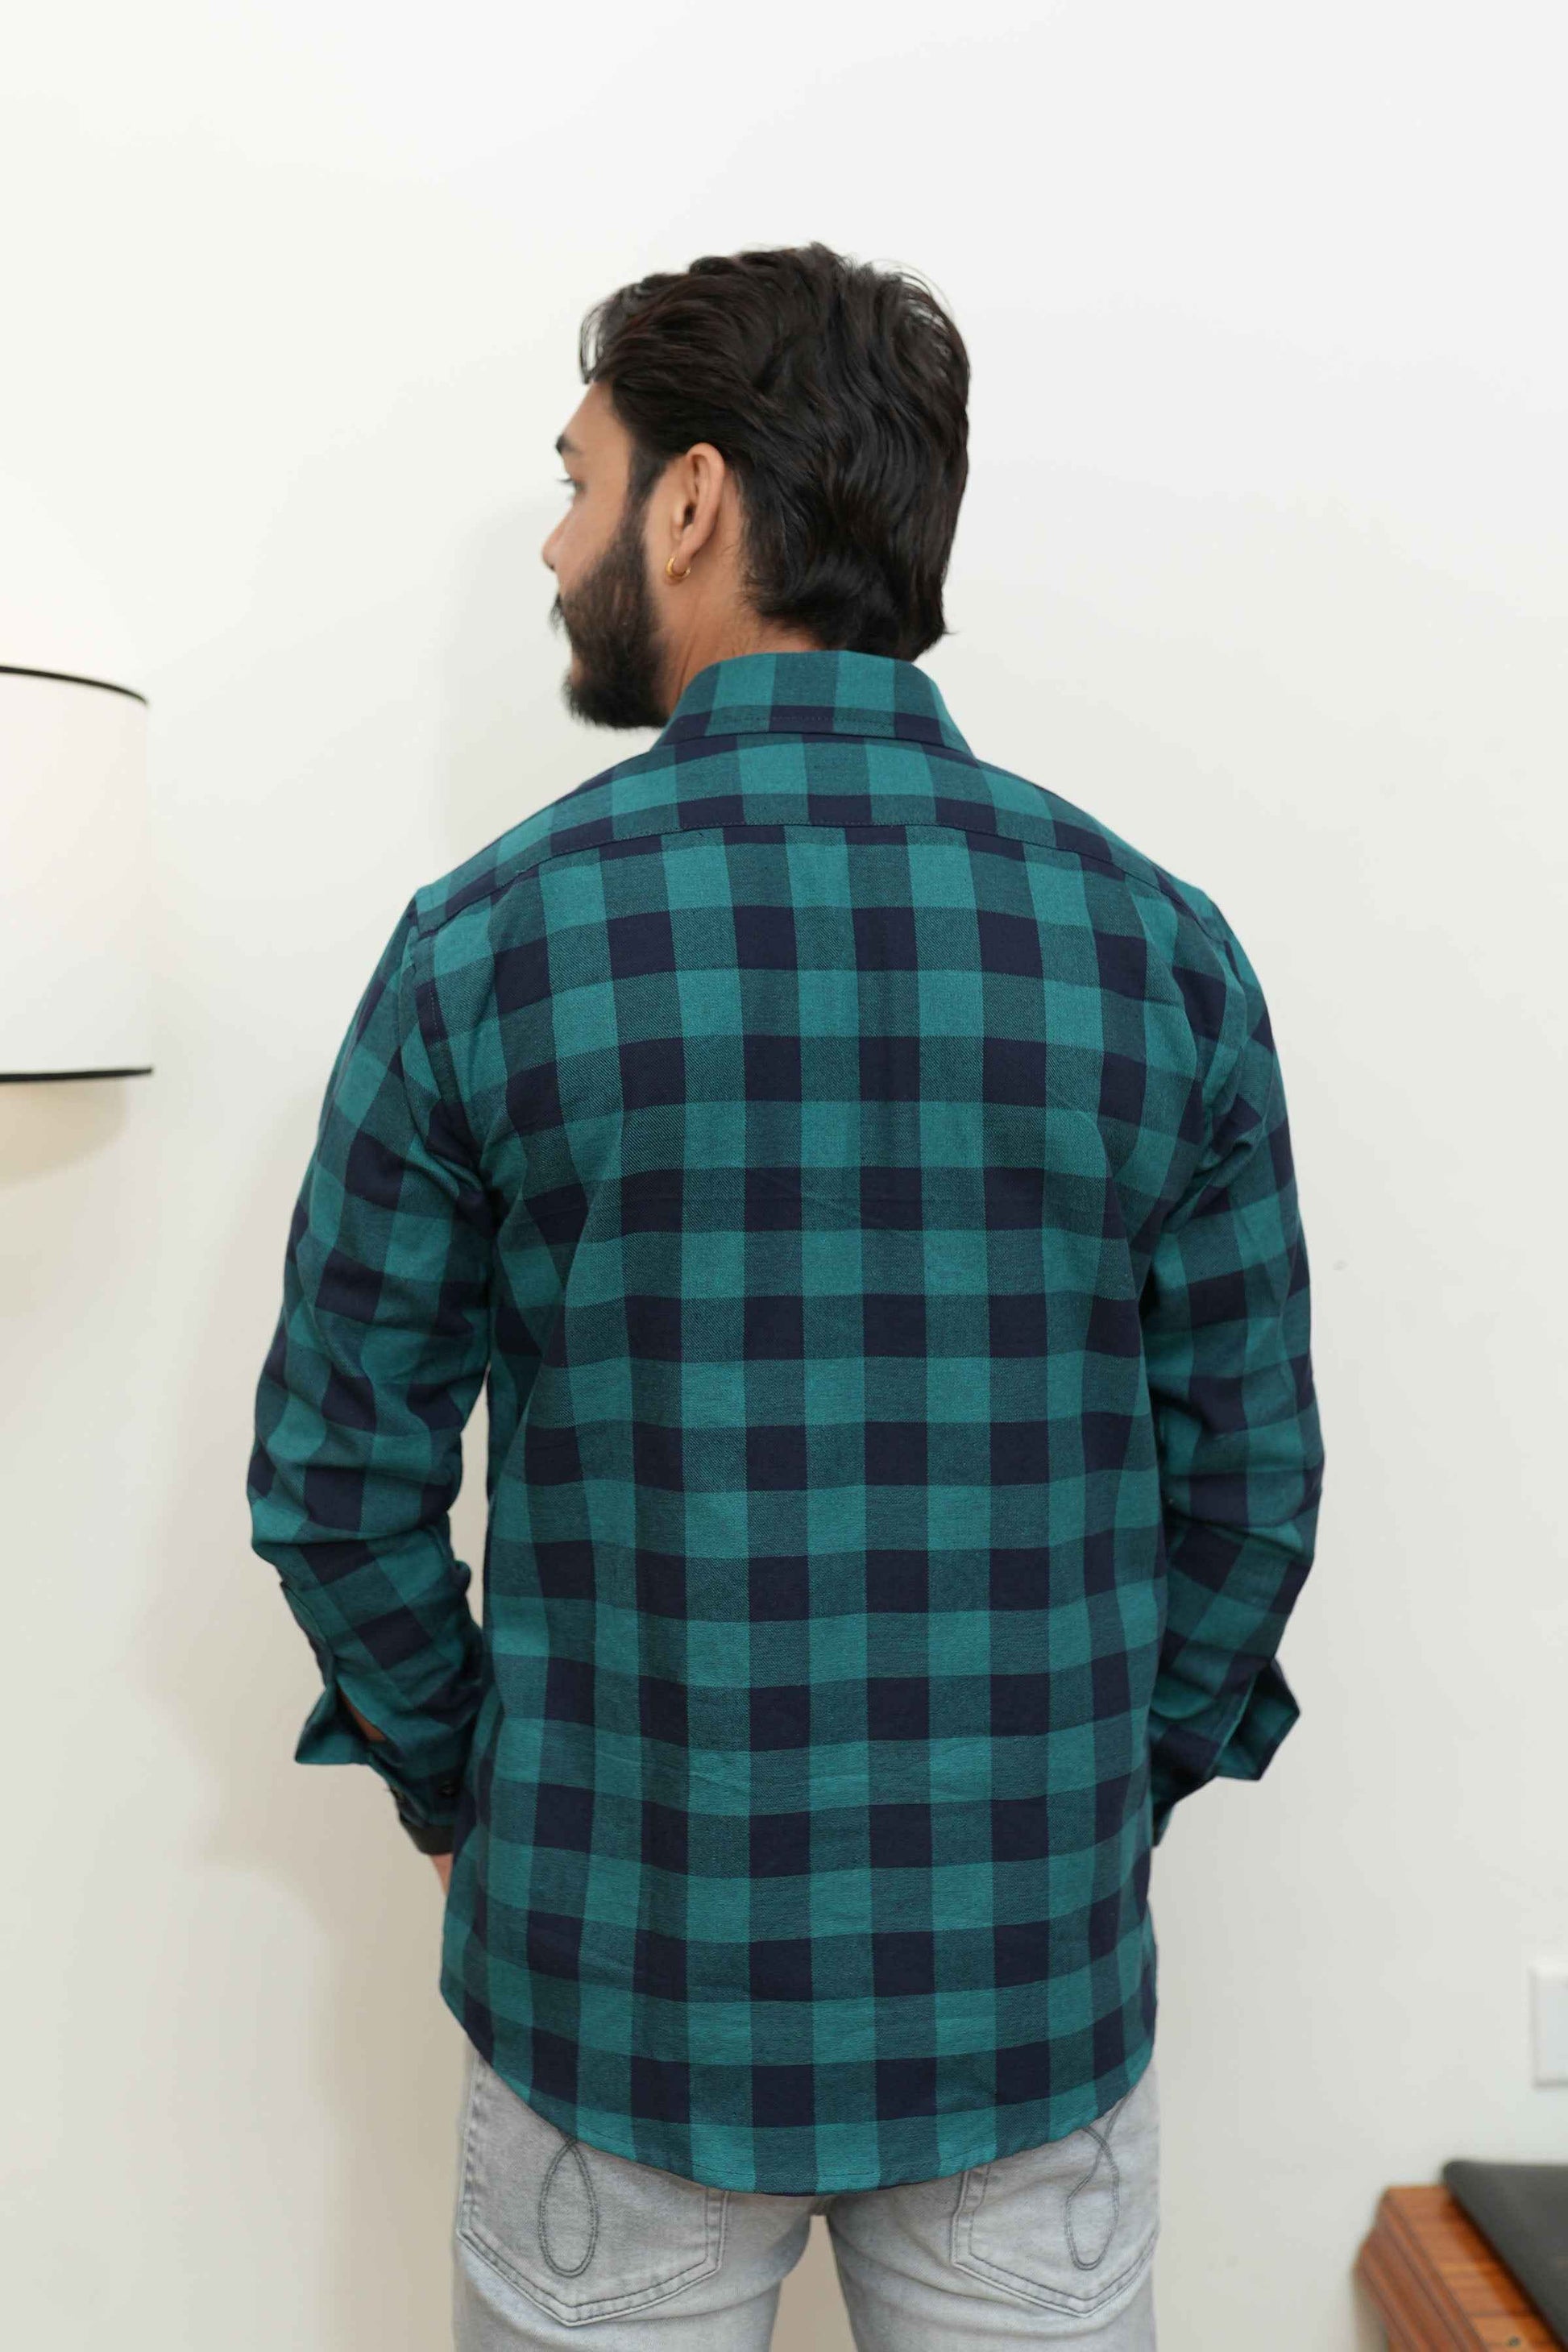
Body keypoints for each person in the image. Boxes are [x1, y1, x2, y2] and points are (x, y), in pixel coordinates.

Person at [248, 241, 1324, 2350]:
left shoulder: (486, 945)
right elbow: (1251, 1490)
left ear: (692, 502)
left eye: (578, 483)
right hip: (1026, 2010)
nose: (556, 544)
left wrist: (487, 1805)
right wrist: (1083, 1813)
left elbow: (334, 1485)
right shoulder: (1160, 952)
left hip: (612, 2006)